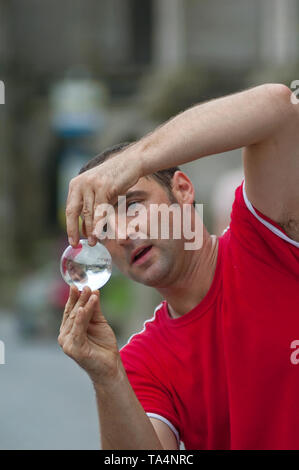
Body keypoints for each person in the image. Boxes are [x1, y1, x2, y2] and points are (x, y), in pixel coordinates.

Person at [58, 83, 299, 450]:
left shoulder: (264, 238)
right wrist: (108, 378)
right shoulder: (141, 362)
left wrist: (135, 160)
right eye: (103, 228)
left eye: (133, 204)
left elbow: (282, 108)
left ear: (183, 190)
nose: (123, 233)